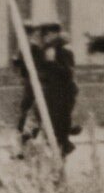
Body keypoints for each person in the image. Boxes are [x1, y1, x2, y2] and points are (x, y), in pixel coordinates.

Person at [15, 18, 79, 157]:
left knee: (57, 129)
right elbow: (40, 69)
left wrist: (51, 62)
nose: (45, 37)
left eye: (47, 34)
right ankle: (25, 148)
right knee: (33, 119)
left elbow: (68, 74)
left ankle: (61, 154)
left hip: (63, 94)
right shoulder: (45, 50)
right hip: (48, 91)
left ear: (55, 33)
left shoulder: (64, 50)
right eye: (44, 34)